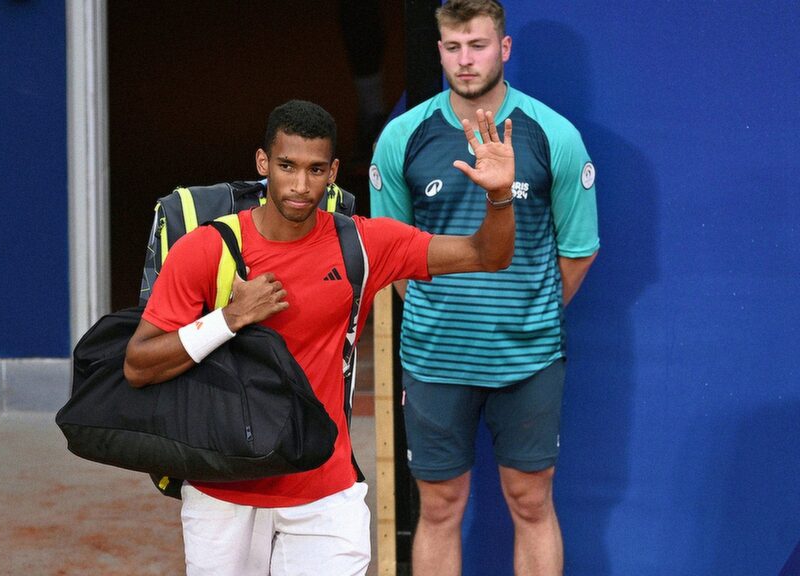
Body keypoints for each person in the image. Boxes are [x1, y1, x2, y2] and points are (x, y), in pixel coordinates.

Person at [124, 99, 515, 576]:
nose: (299, 185)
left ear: (332, 172)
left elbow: (486, 255)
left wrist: (499, 198)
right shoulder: (205, 250)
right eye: (286, 166)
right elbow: (139, 364)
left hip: (326, 490)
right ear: (263, 163)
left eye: (314, 170)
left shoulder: (364, 243)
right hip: (222, 491)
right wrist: (229, 318)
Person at [369, 1, 600, 574]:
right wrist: (442, 314)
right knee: (440, 507)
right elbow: (392, 255)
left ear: (504, 48)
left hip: (530, 361)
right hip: (433, 358)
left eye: (477, 45)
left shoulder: (554, 135)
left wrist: (526, 316)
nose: (465, 60)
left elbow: (578, 249)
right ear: (439, 50)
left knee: (531, 502)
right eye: (452, 47)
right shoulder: (403, 137)